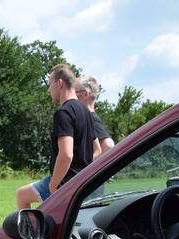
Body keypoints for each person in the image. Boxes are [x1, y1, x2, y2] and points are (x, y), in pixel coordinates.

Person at [16, 64, 98, 208]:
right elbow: (97, 150)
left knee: (21, 195)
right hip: (84, 182)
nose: (49, 90)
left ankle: (30, 231)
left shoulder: (64, 112)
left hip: (65, 183)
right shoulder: (87, 113)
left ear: (60, 83)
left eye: (50, 85)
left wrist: (54, 185)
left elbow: (66, 154)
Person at [76, 76, 115, 158]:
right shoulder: (90, 117)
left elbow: (108, 145)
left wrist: (86, 169)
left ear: (85, 94)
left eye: (74, 92)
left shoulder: (90, 118)